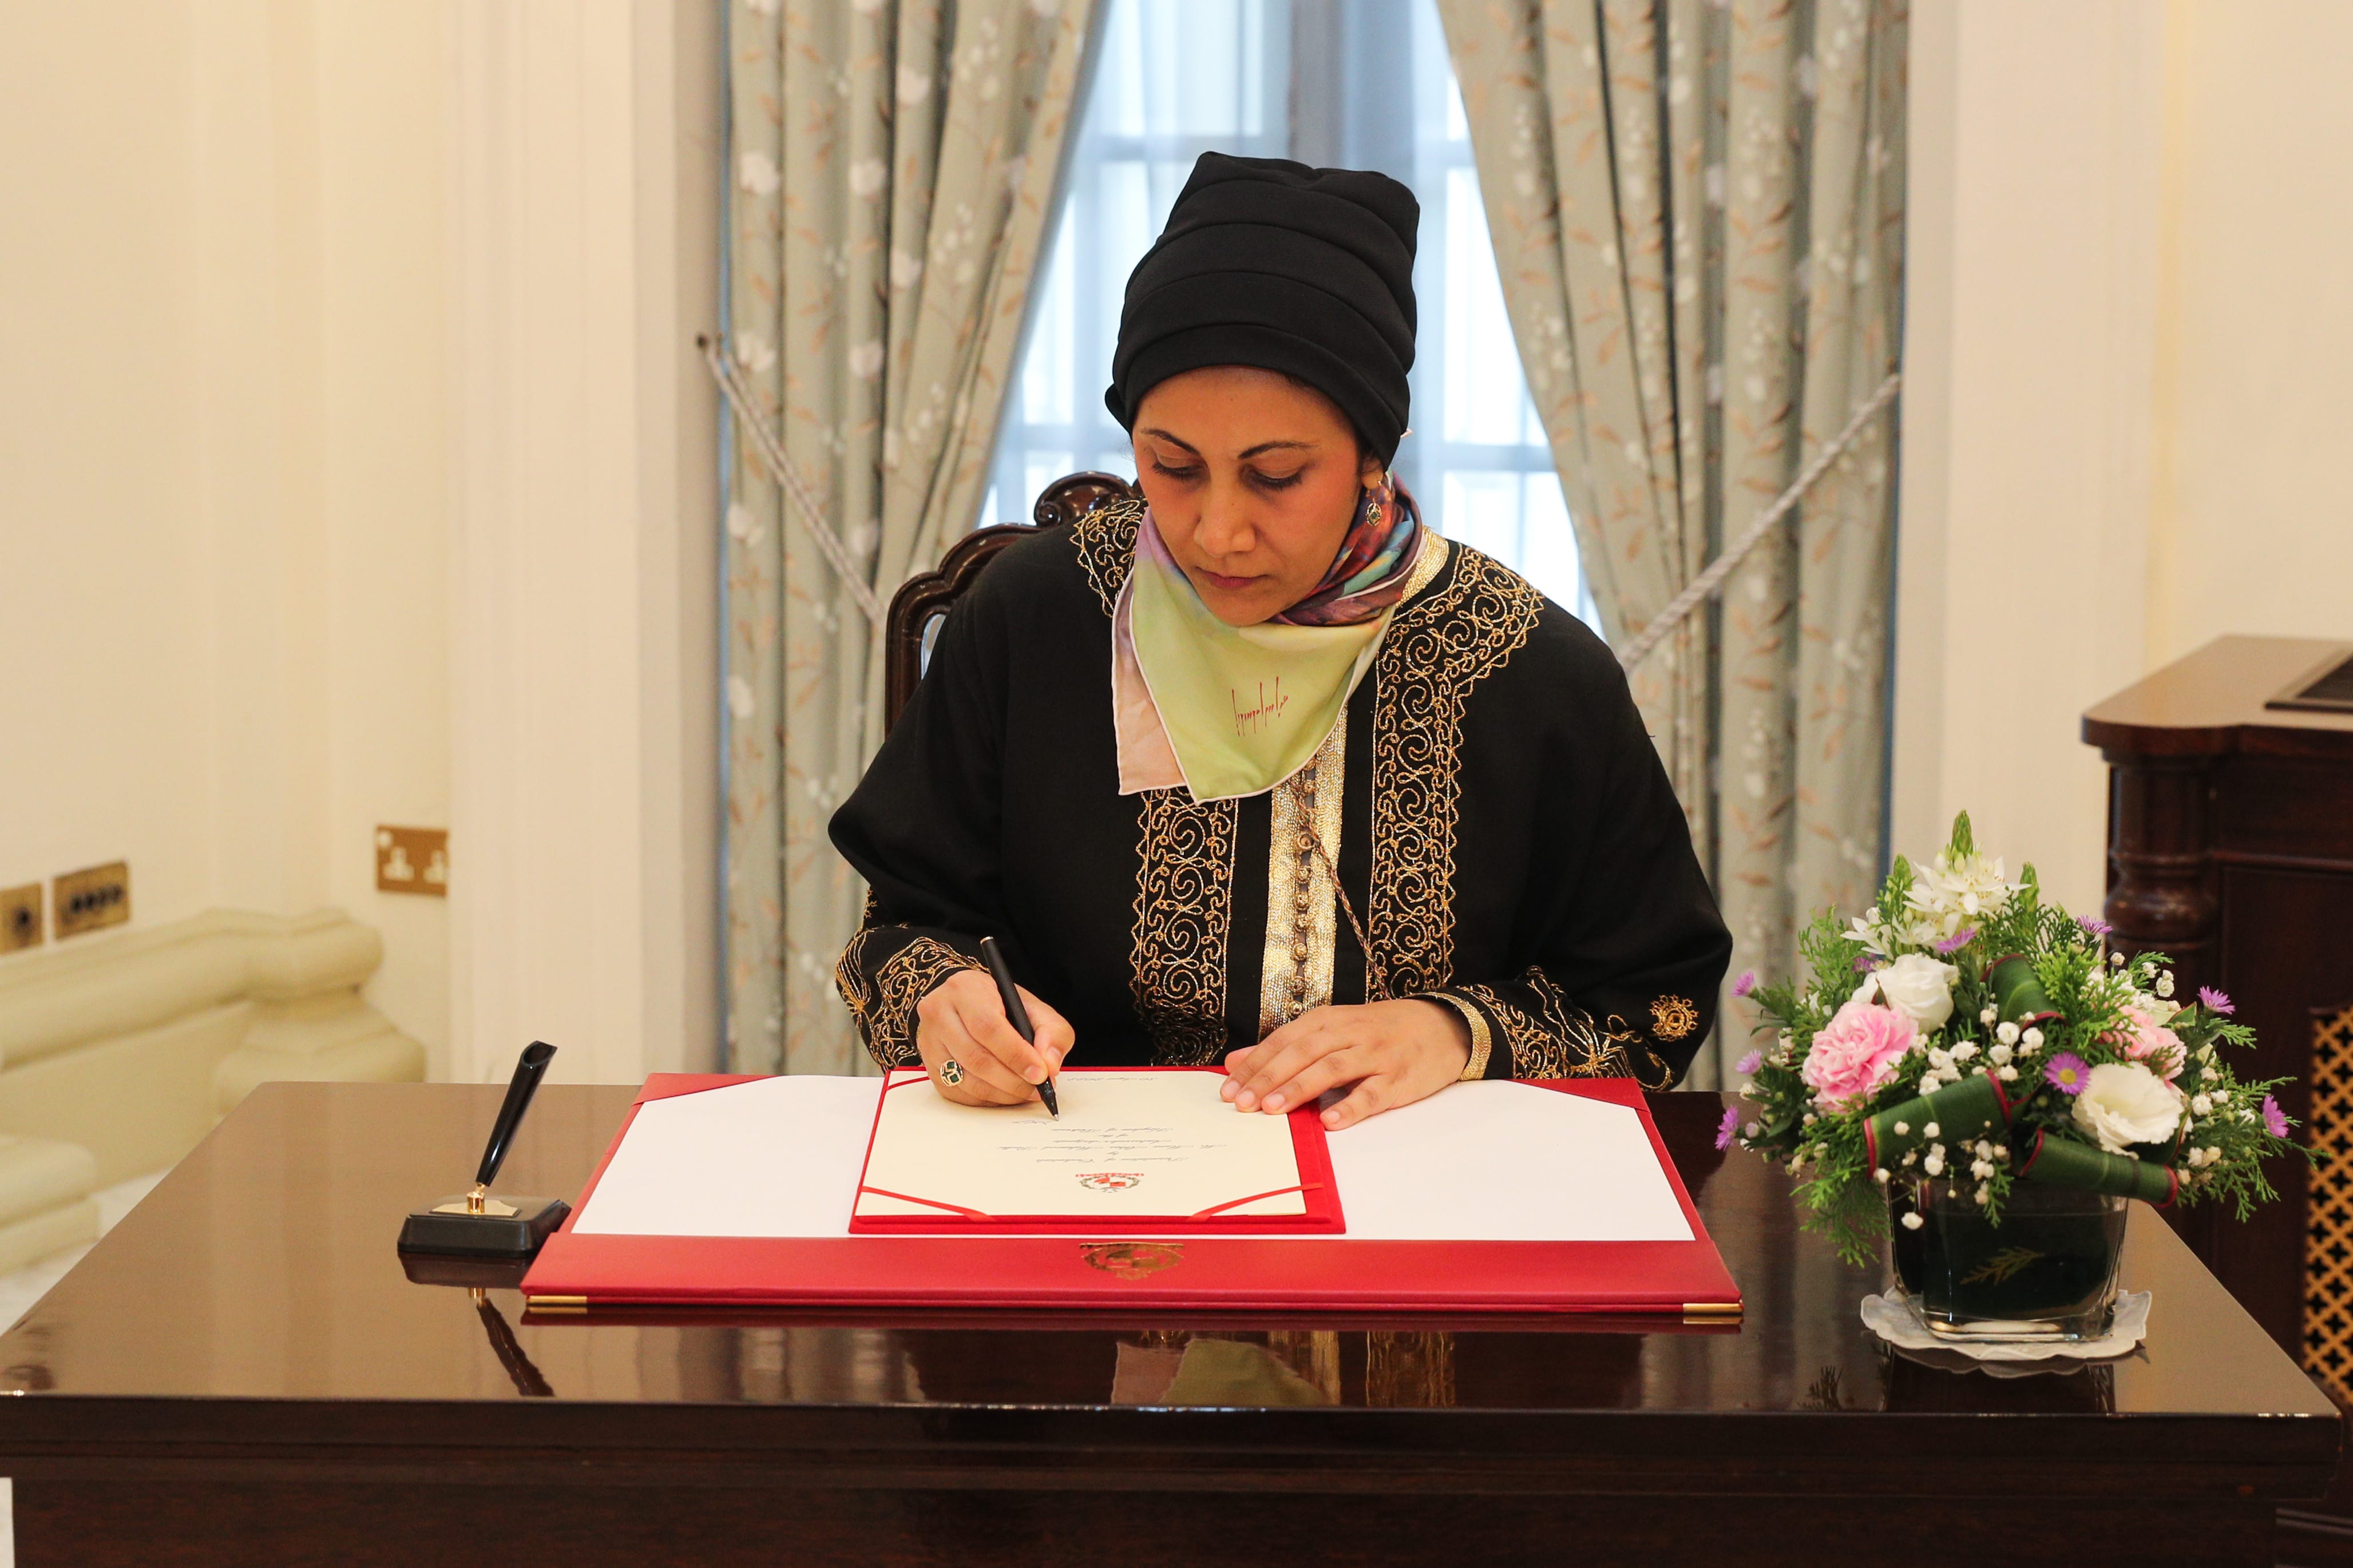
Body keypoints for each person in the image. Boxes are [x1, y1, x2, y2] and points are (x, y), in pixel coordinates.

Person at [831, 153, 1730, 1130]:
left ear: (1370, 457)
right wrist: (944, 1005)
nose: (1219, 532)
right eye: (1173, 467)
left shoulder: (1526, 667)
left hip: (1414, 1218)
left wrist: (1455, 1032)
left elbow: (1655, 1005)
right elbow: (902, 929)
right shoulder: (1039, 618)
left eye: (1276, 476)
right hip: (1089, 1194)